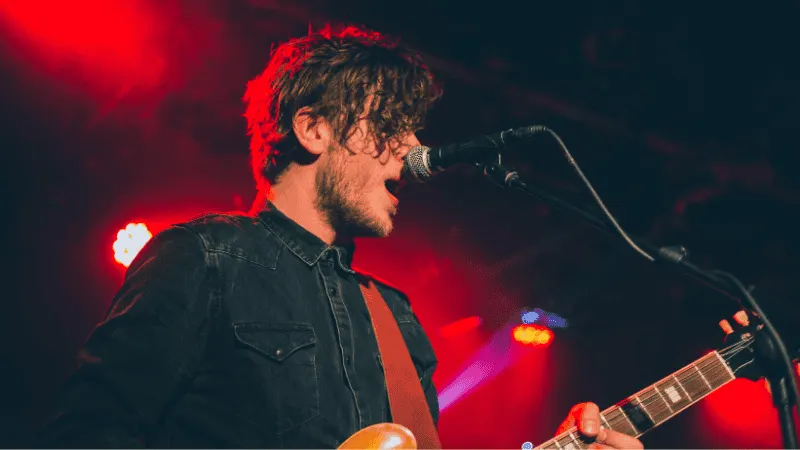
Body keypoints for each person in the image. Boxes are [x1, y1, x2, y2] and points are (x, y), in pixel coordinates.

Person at [37, 24, 644, 449]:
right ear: (313, 130)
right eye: (388, 127)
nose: (409, 152)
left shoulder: (397, 320)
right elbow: (85, 433)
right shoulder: (205, 257)